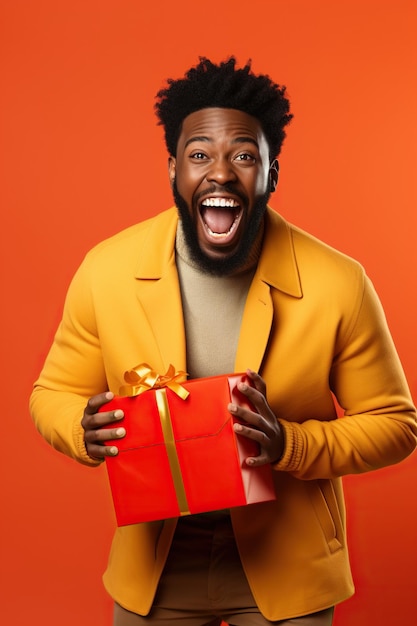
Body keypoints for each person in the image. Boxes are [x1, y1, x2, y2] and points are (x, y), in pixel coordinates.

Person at [30, 57, 417, 626]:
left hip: (289, 562)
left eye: (243, 155)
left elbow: (397, 424)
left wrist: (290, 445)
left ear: (270, 173)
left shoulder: (339, 282)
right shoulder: (105, 270)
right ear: (173, 171)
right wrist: (78, 430)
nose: (220, 173)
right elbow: (51, 393)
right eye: (199, 155)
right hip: (158, 561)